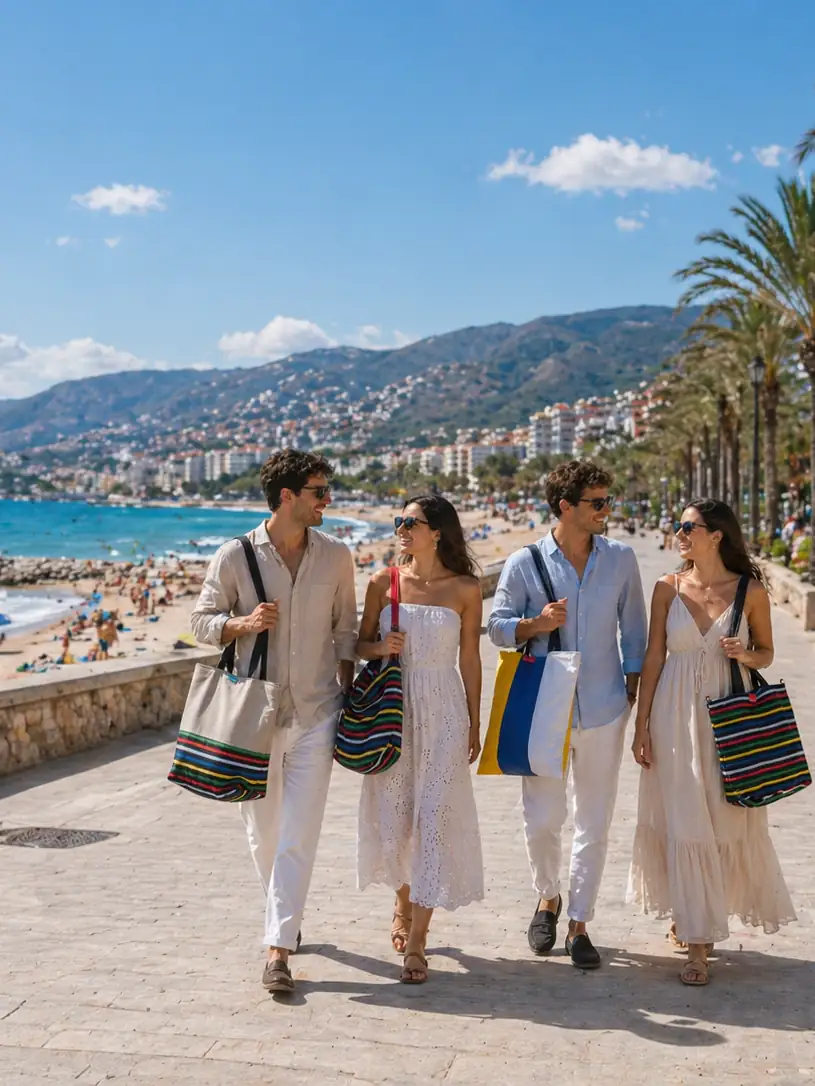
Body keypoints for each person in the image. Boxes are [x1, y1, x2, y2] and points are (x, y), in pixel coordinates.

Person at [190, 449, 358, 994]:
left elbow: (345, 635)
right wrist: (241, 623)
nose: (327, 500)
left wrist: (362, 683)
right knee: (263, 834)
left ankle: (278, 950)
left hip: (317, 712)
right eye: (318, 491)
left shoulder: (337, 557)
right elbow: (201, 621)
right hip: (253, 718)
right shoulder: (234, 555)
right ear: (287, 496)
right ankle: (282, 913)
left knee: (298, 834)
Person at [487, 460, 647, 969]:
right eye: (596, 503)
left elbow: (635, 631)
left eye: (606, 501)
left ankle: (580, 921)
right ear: (565, 507)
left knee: (594, 821)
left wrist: (633, 689)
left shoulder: (620, 559)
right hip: (543, 708)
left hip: (604, 708)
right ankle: (548, 897)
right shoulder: (524, 562)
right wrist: (535, 623)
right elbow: (496, 626)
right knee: (542, 820)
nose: (606, 511)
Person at [629, 498, 796, 986]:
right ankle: (699, 944)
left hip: (727, 720)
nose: (678, 534)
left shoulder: (750, 593)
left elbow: (766, 655)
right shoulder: (666, 588)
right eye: (676, 526)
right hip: (672, 719)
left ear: (717, 535)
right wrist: (641, 725)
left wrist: (747, 653)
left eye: (688, 527)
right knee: (684, 822)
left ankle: (696, 915)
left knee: (721, 821)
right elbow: (654, 656)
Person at [356, 495, 484, 984]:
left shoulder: (466, 589)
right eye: (399, 521)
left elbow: (470, 658)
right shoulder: (382, 583)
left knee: (434, 817)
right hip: (394, 711)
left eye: (413, 522)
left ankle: (417, 940)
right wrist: (378, 647)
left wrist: (475, 720)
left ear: (438, 532)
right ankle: (401, 904)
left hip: (445, 709)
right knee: (400, 818)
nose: (403, 529)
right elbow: (357, 645)